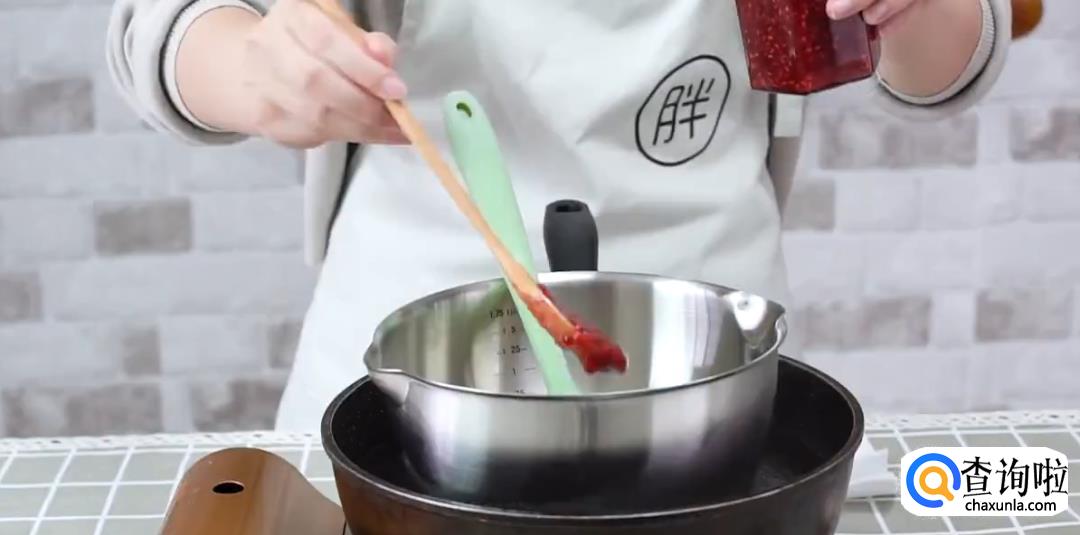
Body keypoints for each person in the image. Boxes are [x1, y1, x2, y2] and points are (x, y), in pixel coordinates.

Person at [108, 0, 1011, 432]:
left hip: (714, 384)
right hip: (401, 387)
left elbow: (955, 62)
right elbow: (163, 29)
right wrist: (256, 66)